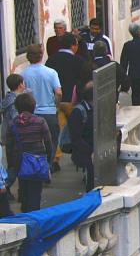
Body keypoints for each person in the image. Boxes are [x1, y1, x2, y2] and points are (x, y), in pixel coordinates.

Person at [6, 92, 53, 212]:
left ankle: (25, 210)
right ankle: (33, 216)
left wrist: (11, 164)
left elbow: (9, 146)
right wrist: (48, 160)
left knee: (24, 187)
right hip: (37, 161)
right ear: (33, 106)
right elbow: (48, 142)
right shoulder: (40, 121)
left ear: (17, 107)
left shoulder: (13, 123)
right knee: (35, 192)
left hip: (20, 161)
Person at [20, 44, 61, 172]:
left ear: (28, 57)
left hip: (31, 113)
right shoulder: (51, 72)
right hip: (49, 112)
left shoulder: (23, 74)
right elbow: (58, 93)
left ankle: (34, 166)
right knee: (52, 140)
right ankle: (47, 166)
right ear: (42, 55)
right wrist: (56, 106)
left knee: (32, 143)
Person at [45, 33, 84, 166]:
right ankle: (77, 154)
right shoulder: (78, 61)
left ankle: (55, 159)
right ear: (73, 46)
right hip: (73, 101)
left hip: (56, 101)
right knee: (77, 129)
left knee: (58, 131)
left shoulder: (51, 60)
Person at [67, 84, 94, 191]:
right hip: (86, 153)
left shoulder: (92, 109)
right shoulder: (79, 112)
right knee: (90, 181)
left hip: (91, 152)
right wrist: (90, 151)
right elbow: (76, 137)